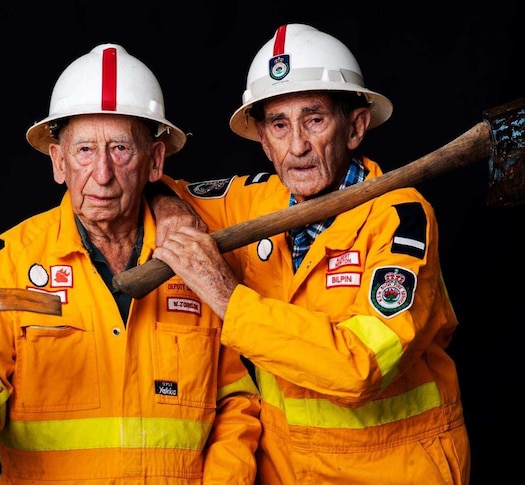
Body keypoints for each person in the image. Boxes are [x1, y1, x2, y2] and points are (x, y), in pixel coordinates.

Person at [0, 43, 261, 484]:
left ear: (155, 160)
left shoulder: (196, 263)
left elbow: (235, 400)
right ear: (58, 162)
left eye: (120, 149)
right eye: (84, 151)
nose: (102, 174)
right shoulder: (16, 262)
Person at [149, 24, 470, 484]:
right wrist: (172, 211)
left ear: (355, 127)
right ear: (262, 138)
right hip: (289, 472)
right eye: (279, 125)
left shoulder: (401, 220)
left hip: (395, 470)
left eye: (314, 120)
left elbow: (360, 366)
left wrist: (227, 297)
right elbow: (157, 184)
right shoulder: (254, 202)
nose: (296, 146)